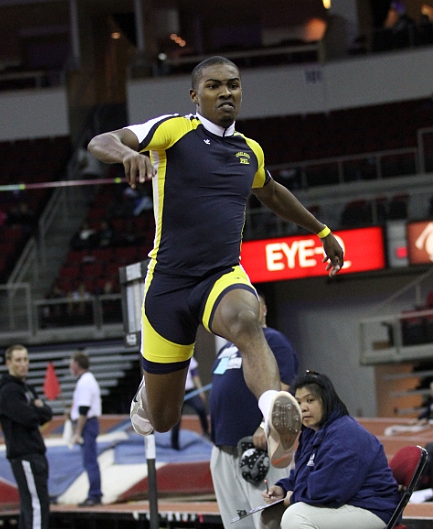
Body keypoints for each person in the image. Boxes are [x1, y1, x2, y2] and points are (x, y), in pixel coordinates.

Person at [88, 56, 344, 463]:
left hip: (220, 275)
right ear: (195, 95)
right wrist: (125, 154)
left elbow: (273, 193)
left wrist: (323, 232)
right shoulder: (174, 131)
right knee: (165, 417)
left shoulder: (250, 151)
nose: (226, 92)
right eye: (214, 86)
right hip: (169, 284)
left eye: (233, 85)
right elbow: (99, 140)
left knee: (246, 321)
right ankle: (148, 394)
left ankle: (273, 417)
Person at [259, 371, 400, 529]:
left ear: (327, 400)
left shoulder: (346, 435)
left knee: (297, 517)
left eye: (310, 400)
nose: (303, 407)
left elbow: (326, 492)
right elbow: (304, 474)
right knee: (270, 517)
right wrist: (282, 488)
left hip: (372, 509)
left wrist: (293, 498)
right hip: (346, 502)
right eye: (298, 402)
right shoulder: (312, 432)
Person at [209, 291, 299, 529]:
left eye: (251, 308)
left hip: (258, 447)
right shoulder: (226, 348)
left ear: (263, 310)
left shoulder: (273, 342)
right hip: (224, 449)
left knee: (268, 524)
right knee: (238, 525)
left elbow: (283, 388)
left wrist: (266, 424)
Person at [0, 345, 52, 529]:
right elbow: (30, 417)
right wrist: (37, 409)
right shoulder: (9, 391)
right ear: (8, 363)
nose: (23, 364)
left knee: (32, 501)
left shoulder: (26, 388)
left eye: (26, 359)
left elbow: (47, 413)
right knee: (37, 502)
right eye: (18, 360)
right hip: (24, 453)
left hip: (35, 452)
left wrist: (38, 409)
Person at [69, 351, 103, 507]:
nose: (70, 366)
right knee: (90, 460)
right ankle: (94, 493)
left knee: (89, 460)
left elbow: (84, 409)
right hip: (89, 423)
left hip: (87, 424)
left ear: (76, 364)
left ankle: (95, 494)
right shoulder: (87, 380)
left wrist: (77, 432)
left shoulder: (85, 382)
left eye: (71, 363)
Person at [171, 356, 210, 450]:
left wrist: (200, 390)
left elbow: (194, 373)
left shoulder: (187, 355)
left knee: (200, 408)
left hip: (190, 391)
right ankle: (175, 444)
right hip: (176, 393)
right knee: (176, 419)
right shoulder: (168, 358)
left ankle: (206, 432)